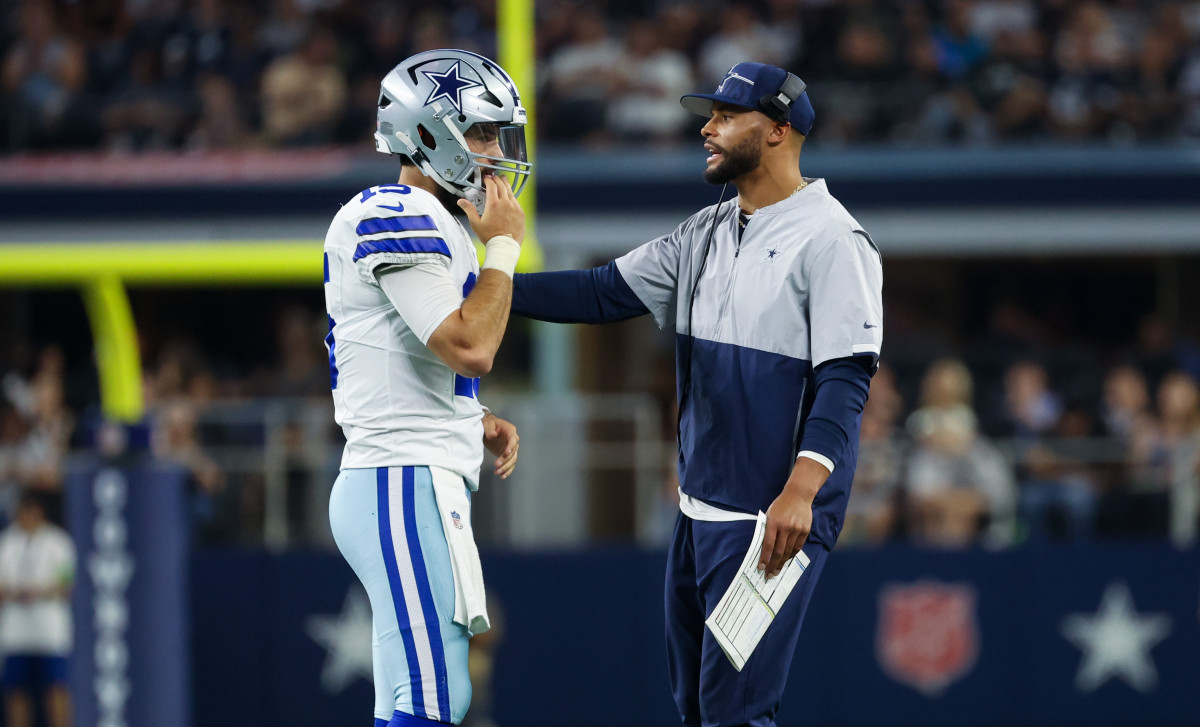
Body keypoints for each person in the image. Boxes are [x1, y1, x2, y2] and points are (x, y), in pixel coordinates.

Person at [512, 63, 883, 727]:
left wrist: (801, 490)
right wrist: (482, 282)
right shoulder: (707, 229)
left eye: (725, 115)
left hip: (769, 519)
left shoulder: (834, 238)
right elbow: (599, 292)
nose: (706, 128)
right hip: (699, 507)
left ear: (777, 130)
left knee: (735, 715)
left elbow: (845, 378)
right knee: (699, 708)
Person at [323, 49, 527, 727]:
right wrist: (504, 248)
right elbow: (471, 345)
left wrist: (474, 418)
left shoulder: (436, 221)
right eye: (481, 132)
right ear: (428, 131)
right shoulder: (392, 208)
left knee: (422, 695)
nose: (495, 153)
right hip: (399, 475)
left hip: (415, 472)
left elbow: (400, 354)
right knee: (433, 697)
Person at [0, 491, 75, 727]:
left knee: (56, 687)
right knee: (15, 689)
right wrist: (16, 593)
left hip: (50, 631)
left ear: (39, 512)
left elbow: (67, 584)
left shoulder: (58, 542)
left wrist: (38, 592)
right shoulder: (7, 542)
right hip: (16, 631)